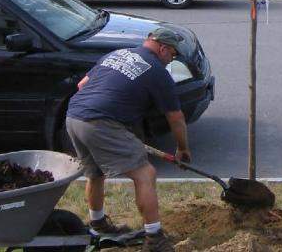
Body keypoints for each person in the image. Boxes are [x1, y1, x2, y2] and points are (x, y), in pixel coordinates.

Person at [65, 27, 191, 252]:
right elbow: (176, 117)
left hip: (74, 116)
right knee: (145, 174)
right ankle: (154, 238)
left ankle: (98, 224)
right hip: (100, 122)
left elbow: (82, 85)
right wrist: (182, 149)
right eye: (172, 55)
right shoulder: (157, 71)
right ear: (163, 48)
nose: (170, 60)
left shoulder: (117, 54)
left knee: (94, 173)